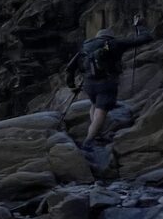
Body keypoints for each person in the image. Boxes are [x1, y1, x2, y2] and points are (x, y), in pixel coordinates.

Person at [64, 15, 154, 148]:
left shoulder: (85, 47)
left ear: (97, 37)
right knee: (101, 111)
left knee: (94, 105)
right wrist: (139, 26)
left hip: (89, 84)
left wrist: (72, 86)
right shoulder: (115, 43)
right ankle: (89, 140)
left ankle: (96, 133)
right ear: (110, 37)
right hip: (107, 83)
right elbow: (145, 39)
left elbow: (70, 69)